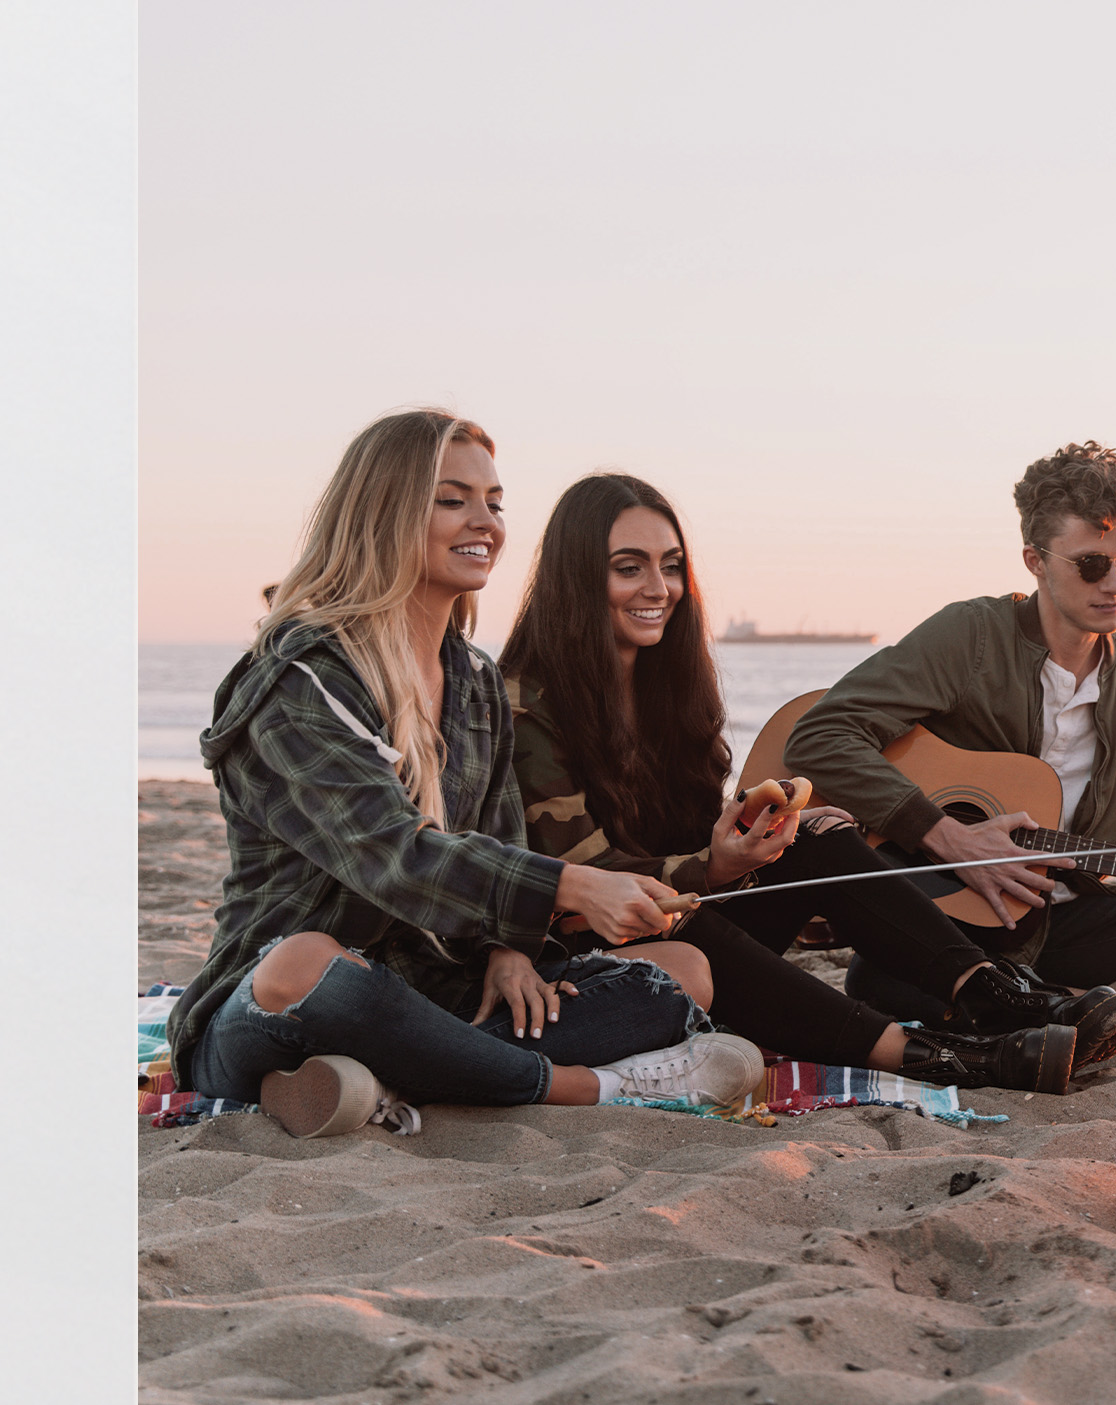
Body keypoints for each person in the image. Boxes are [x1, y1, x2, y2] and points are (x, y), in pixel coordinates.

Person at [171, 412, 758, 1133]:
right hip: (275, 1000)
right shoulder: (298, 680)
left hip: (437, 989)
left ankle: (379, 1080)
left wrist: (510, 950)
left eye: (494, 502)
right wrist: (572, 885)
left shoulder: (476, 679)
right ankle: (582, 1088)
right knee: (307, 966)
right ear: (383, 513)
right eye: (452, 499)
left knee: (682, 972)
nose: (485, 522)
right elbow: (393, 856)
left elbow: (501, 833)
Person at [494, 471, 1063, 1090]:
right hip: (586, 951)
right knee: (678, 915)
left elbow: (690, 838)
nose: (659, 588)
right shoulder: (528, 704)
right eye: (628, 568)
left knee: (816, 839)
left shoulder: (670, 692)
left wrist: (762, 843)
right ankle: (925, 1054)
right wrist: (711, 868)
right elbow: (589, 874)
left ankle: (990, 993)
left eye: (671, 565)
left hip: (683, 916)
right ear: (576, 579)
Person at [769, 439, 1116, 1092]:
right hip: (952, 917)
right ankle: (1042, 1003)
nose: (1115, 585)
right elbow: (820, 736)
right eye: (1091, 565)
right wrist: (947, 832)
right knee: (879, 979)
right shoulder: (969, 638)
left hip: (1065, 918)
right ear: (1035, 559)